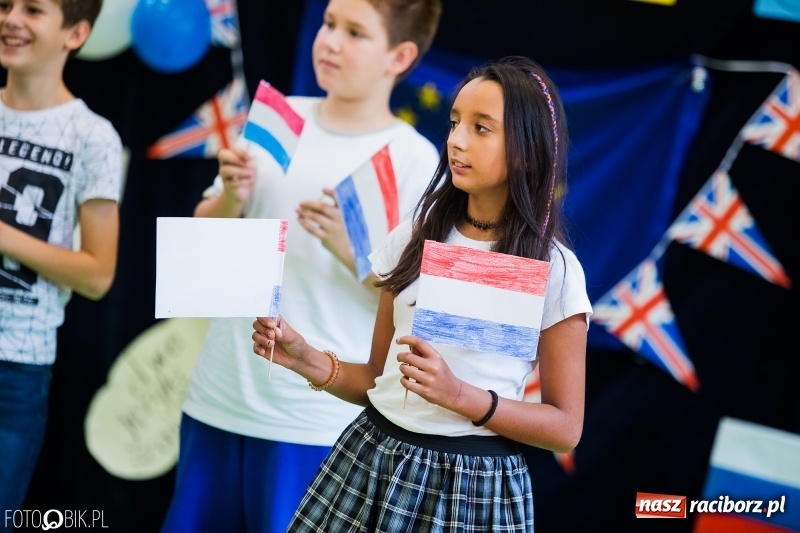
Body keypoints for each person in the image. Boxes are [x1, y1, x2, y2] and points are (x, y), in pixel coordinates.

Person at [252, 55, 593, 532]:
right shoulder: (417, 235)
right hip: (370, 460)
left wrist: (459, 395)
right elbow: (378, 378)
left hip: (474, 485)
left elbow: (564, 428)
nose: (456, 140)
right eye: (455, 123)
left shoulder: (554, 269)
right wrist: (306, 358)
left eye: (481, 128)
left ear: (527, 148)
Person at [160, 0, 442, 531]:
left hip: (318, 418)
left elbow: (423, 305)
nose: (330, 41)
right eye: (329, 23)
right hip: (219, 394)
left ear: (399, 56)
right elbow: (204, 236)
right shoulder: (280, 115)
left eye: (356, 32)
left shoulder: (414, 158)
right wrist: (229, 198)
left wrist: (352, 248)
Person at [0, 0, 121, 521]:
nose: (10, 19)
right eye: (5, 5)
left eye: (33, 9)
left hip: (17, 366)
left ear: (76, 33)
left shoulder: (92, 137)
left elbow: (97, 274)